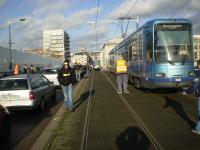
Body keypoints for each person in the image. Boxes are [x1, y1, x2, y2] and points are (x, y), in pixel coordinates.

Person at [182, 59, 200, 134]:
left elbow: (195, 85)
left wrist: (187, 91)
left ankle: (198, 129)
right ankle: (198, 129)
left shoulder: (198, 73)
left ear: (199, 65)